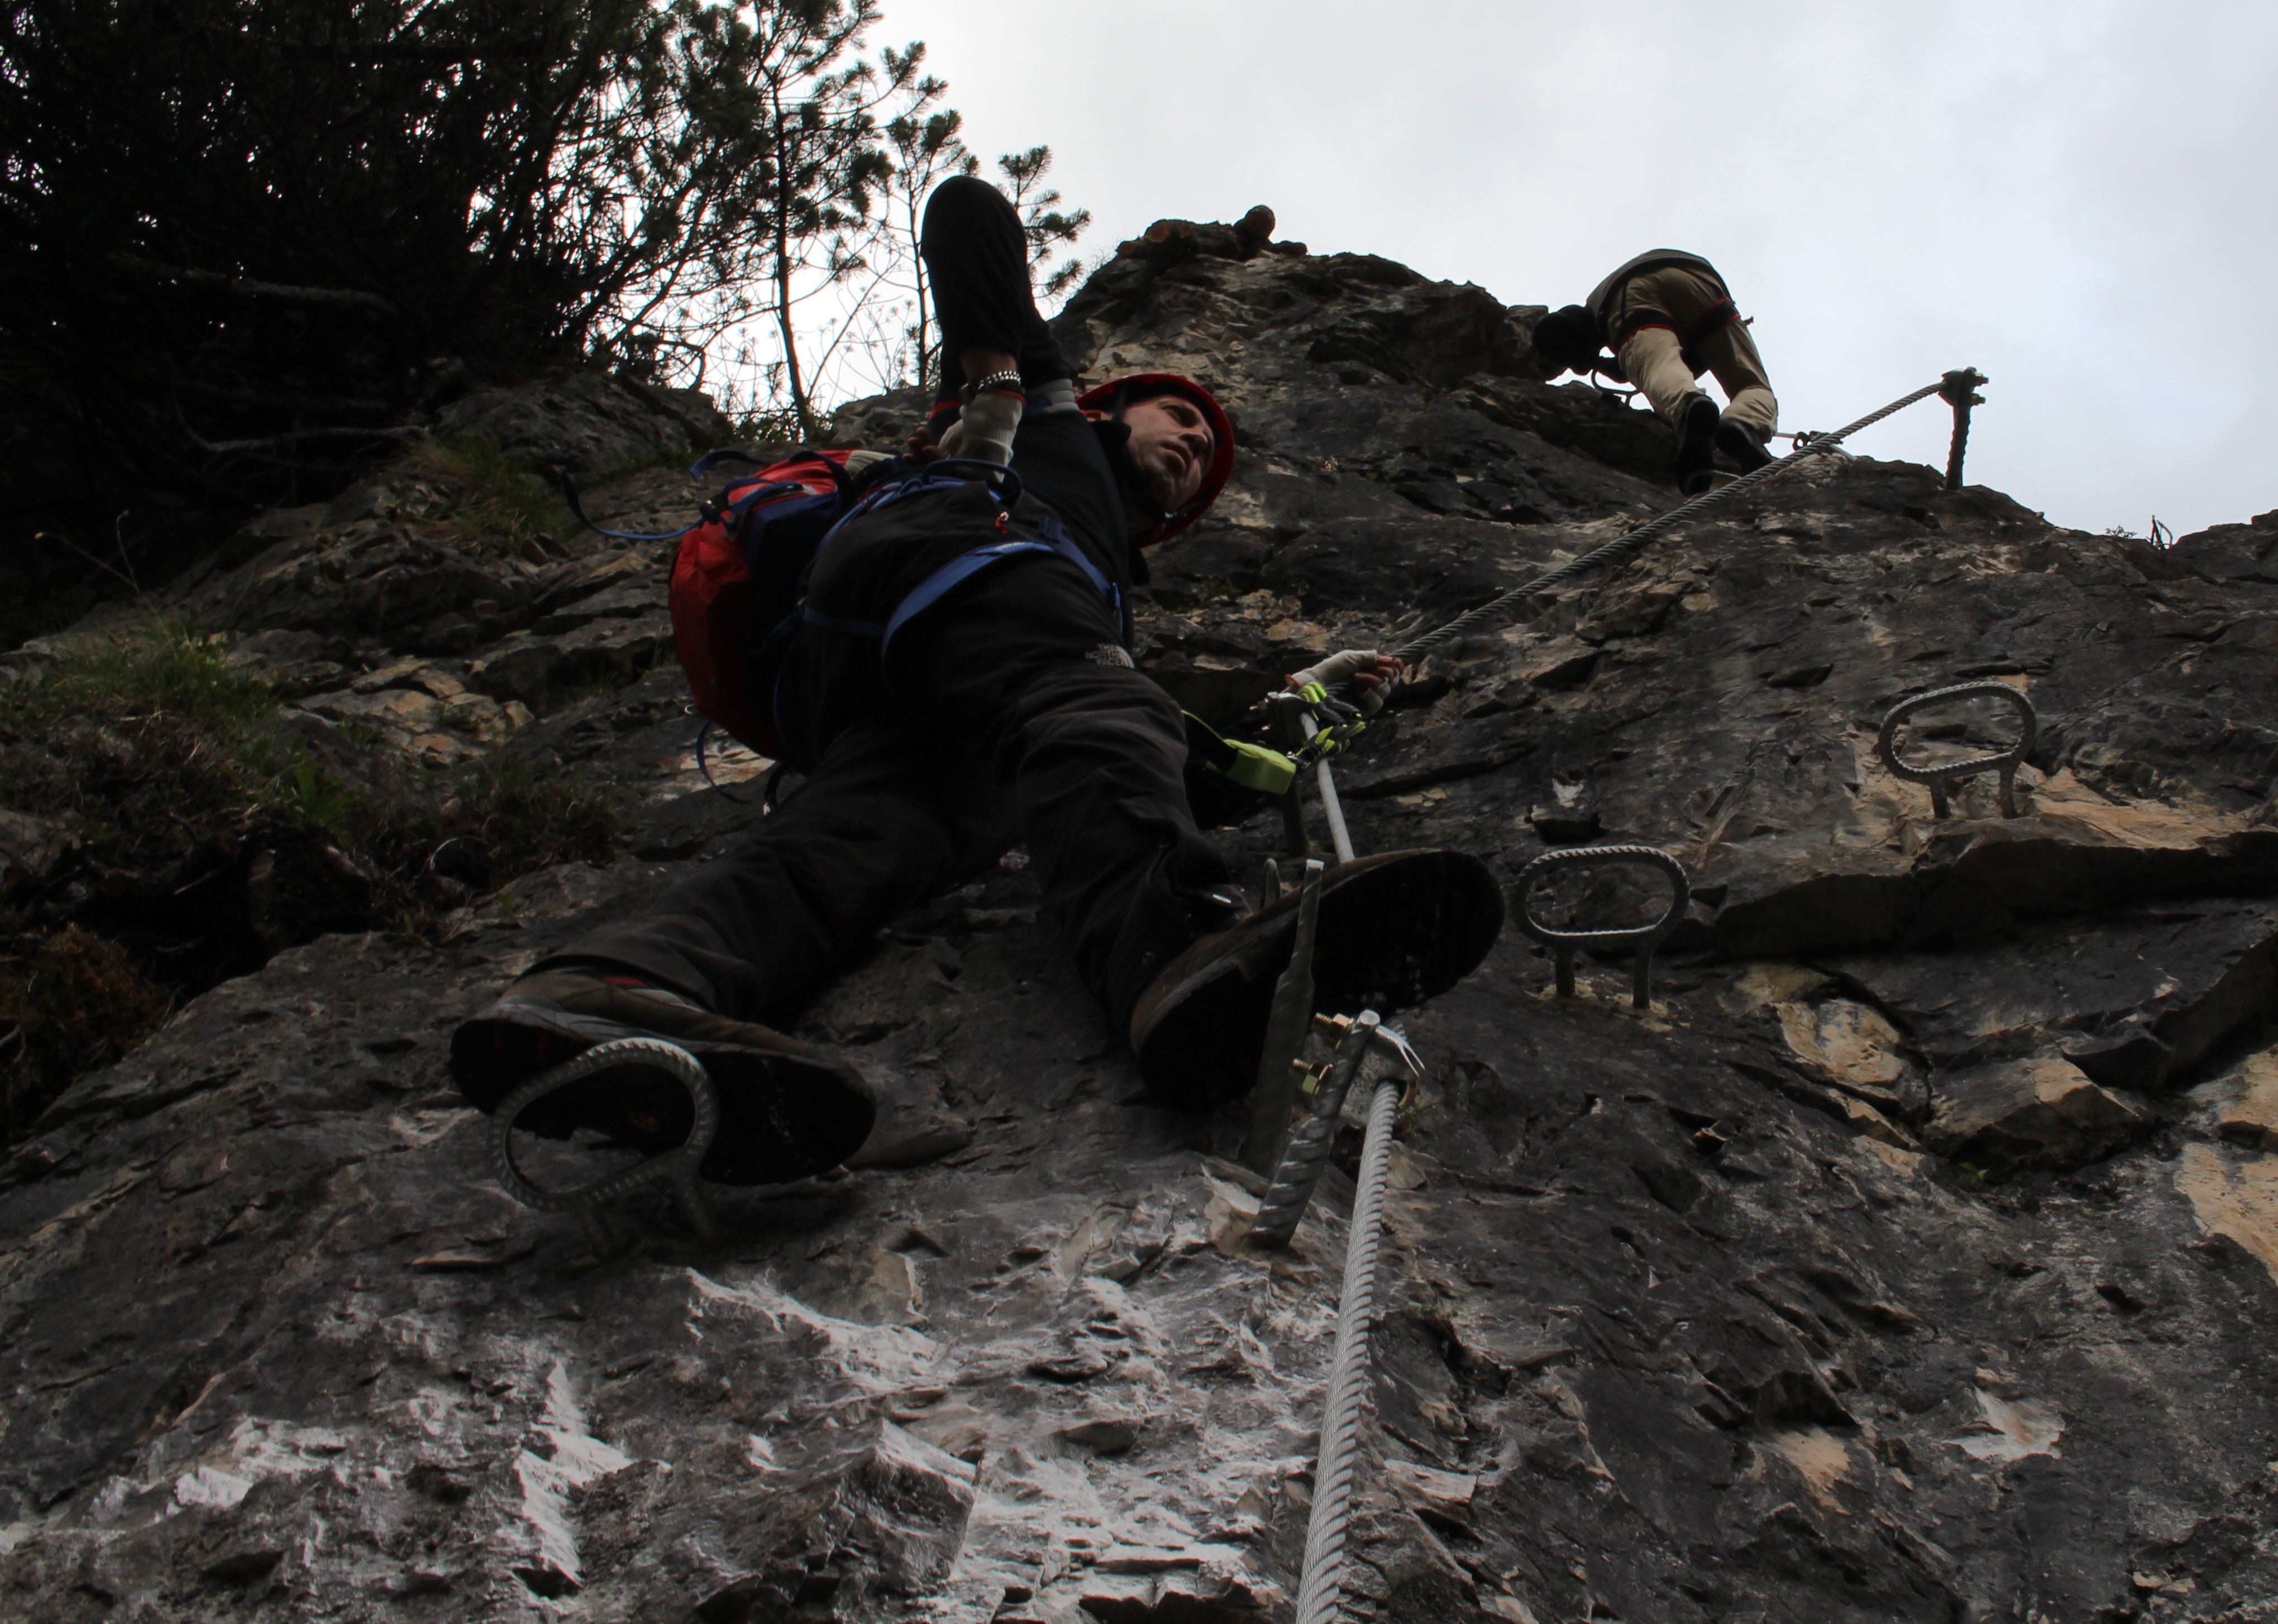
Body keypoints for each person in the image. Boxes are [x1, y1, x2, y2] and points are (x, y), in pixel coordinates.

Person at [448, 176, 1502, 1184]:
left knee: (855, 849)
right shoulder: (1051, 424)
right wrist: (997, 377)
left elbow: (1120, 758)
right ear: (1113, 405)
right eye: (1178, 422)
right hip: (956, 560)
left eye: (1204, 459)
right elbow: (966, 212)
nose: (1192, 446)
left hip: (878, 675)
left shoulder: (1087, 584)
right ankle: (1166, 959)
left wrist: (1314, 695)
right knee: (1094, 695)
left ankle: (613, 989)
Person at [1531, 250, 1778, 493]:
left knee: (1659, 366)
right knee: (1752, 385)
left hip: (1631, 291)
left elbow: (1657, 358)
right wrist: (1620, 366)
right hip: (1699, 280)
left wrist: (1625, 363)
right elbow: (1695, 356)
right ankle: (1744, 423)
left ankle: (1688, 405)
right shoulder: (1599, 307)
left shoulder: (1603, 311)